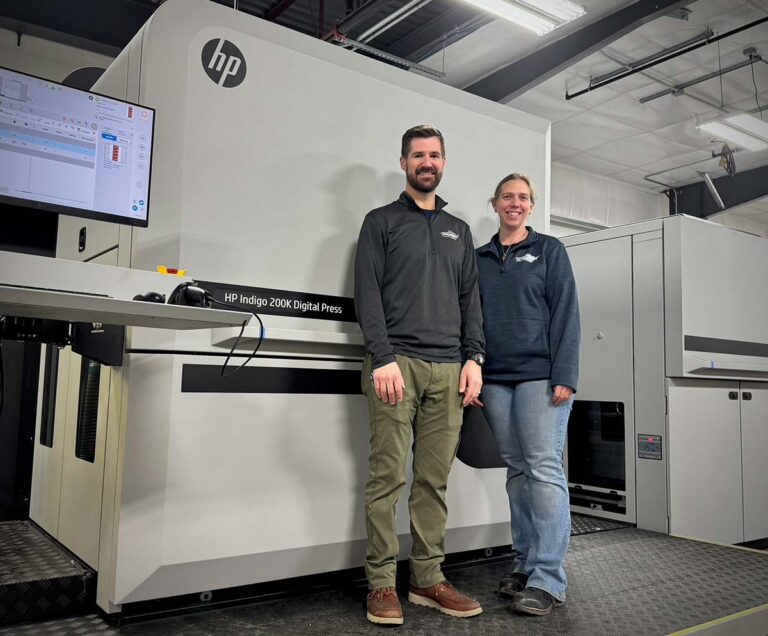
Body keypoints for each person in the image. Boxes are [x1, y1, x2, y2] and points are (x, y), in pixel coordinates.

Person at [354, 125, 485, 625]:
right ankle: (382, 584)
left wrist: (475, 359)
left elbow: (471, 299)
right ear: (404, 163)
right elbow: (367, 292)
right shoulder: (380, 222)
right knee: (387, 477)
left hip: (450, 370)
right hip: (396, 365)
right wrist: (383, 357)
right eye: (417, 155)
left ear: (443, 163)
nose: (426, 162)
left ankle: (428, 579)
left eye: (433, 155)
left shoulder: (459, 229)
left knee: (433, 481)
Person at [475, 173, 580, 617]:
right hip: (496, 378)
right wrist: (474, 368)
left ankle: (549, 577)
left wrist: (565, 374)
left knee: (543, 468)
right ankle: (524, 564)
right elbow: (471, 317)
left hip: (540, 375)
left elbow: (566, 312)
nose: (514, 203)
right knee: (517, 470)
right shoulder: (478, 257)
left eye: (523, 198)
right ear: (494, 203)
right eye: (507, 197)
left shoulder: (549, 251)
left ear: (531, 207)